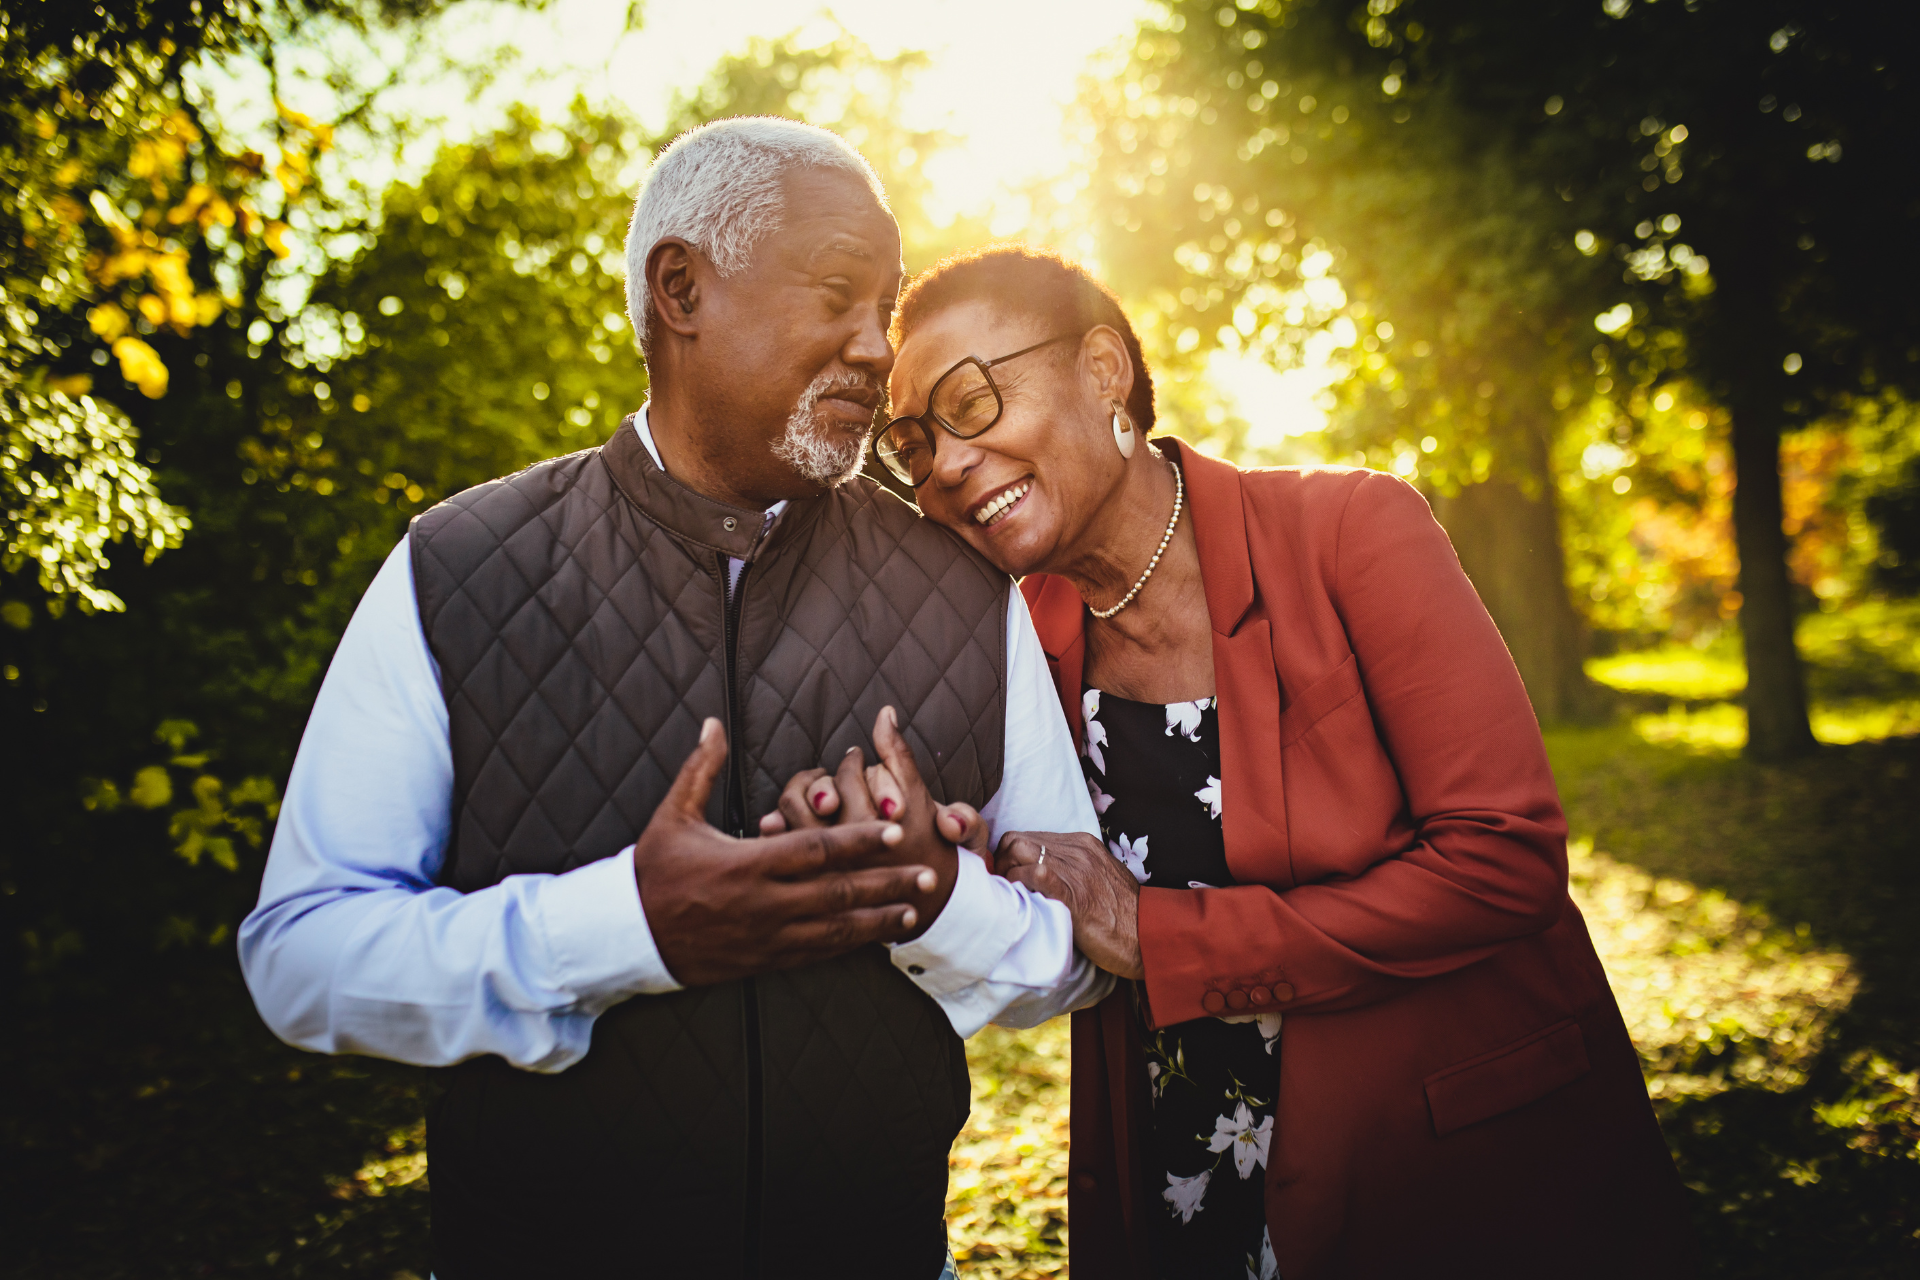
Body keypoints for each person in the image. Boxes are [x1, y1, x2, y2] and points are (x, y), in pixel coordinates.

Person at [237, 124, 1110, 1280]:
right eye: (841, 295)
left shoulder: (964, 590)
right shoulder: (458, 567)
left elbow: (1077, 953)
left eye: (885, 308)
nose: (874, 347)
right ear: (683, 289)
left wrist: (934, 897)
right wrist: (626, 928)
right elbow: (301, 958)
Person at [848, 244, 1695, 1279]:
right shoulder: (1020, 636)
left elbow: (1503, 858)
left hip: (1441, 1164)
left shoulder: (1353, 531)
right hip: (1184, 1159)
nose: (941, 463)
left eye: (971, 402)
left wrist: (1158, 935)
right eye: (912, 440)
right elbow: (1033, 881)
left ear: (1104, 370)